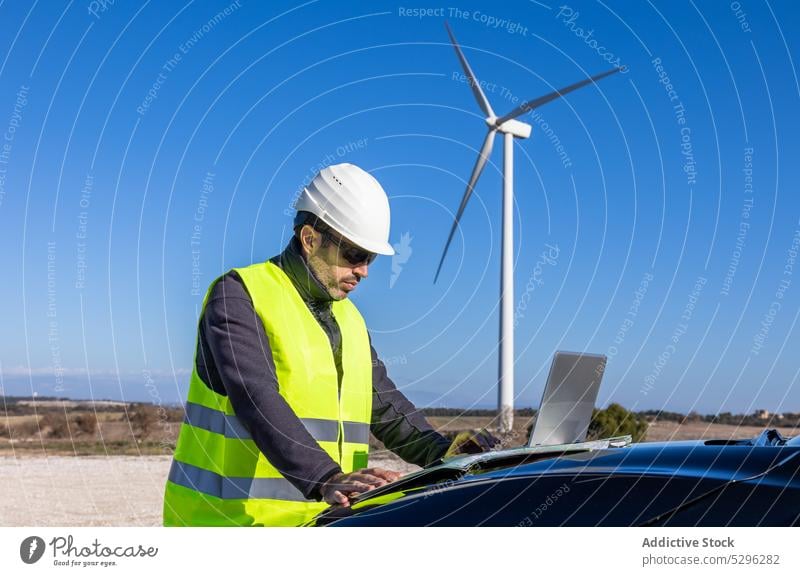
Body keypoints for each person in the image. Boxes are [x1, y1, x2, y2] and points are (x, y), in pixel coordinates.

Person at [163, 163, 497, 526]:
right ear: (310, 239)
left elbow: (385, 406)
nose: (364, 270)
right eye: (354, 254)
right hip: (226, 525)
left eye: (369, 258)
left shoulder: (349, 319)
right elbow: (256, 397)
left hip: (325, 519)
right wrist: (325, 476)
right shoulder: (239, 295)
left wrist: (443, 452)